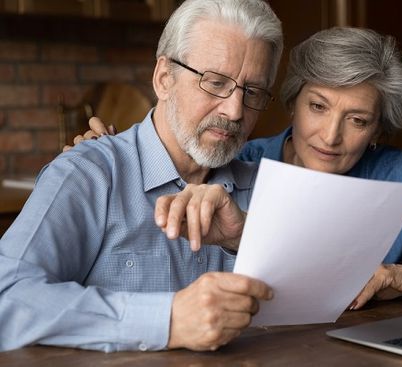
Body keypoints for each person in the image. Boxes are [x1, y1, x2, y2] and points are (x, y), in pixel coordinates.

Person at [81, 27, 402, 308]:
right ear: (292, 101)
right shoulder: (235, 163)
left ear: (378, 130)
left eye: (357, 120)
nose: (330, 136)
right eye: (318, 107)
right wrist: (114, 156)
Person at [0, 0, 284, 352]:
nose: (235, 110)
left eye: (252, 92)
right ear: (164, 79)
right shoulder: (88, 174)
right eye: (214, 82)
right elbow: (7, 298)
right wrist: (168, 319)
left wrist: (247, 237)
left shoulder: (269, 188)